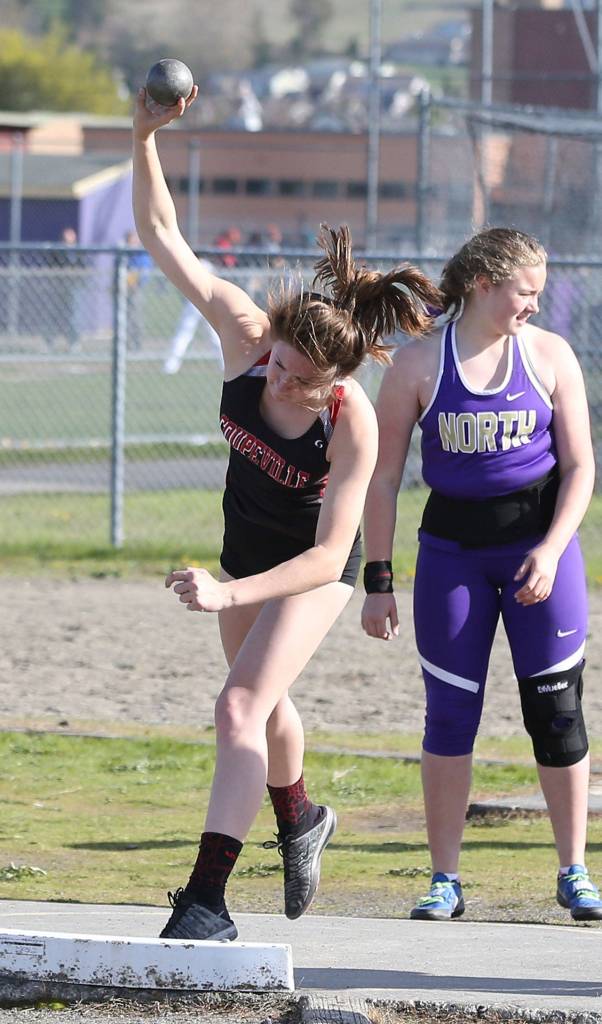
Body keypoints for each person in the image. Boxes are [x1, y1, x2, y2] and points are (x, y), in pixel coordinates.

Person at [132, 83, 442, 941]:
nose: (276, 381)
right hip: (246, 555)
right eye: (276, 364)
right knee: (263, 709)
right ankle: (300, 816)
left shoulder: (352, 422)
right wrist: (143, 136)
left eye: (297, 380)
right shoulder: (246, 339)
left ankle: (206, 904)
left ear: (333, 384)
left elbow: (325, 554)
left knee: (236, 708)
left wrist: (233, 596)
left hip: (309, 571)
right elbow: (163, 238)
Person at [361, 227, 602, 924]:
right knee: (451, 714)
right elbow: (382, 481)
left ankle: (574, 870)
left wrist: (553, 549)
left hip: (539, 551)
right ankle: (444, 879)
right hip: (452, 557)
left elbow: (581, 467)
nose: (534, 305)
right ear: (483, 284)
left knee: (556, 714)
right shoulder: (416, 366)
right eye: (525, 292)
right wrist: (380, 580)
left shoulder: (551, 356)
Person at [163, 257, 223, 374]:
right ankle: (171, 365)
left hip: (200, 302)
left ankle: (171, 365)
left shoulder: (202, 264)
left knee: (187, 333)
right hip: (202, 302)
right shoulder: (201, 263)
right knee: (192, 333)